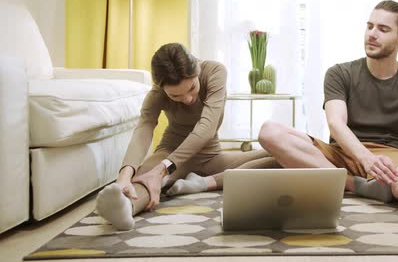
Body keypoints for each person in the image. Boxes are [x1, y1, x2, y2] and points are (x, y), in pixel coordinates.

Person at [258, 0, 398, 242]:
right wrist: (366, 159)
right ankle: (355, 185)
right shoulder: (340, 73)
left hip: (390, 154)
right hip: (341, 152)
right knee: (269, 131)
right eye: (370, 26)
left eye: (383, 29)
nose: (372, 34)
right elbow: (336, 123)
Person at [97, 43, 278, 230]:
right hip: (170, 152)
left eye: (192, 88)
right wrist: (125, 175)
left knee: (280, 156)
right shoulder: (157, 94)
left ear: (197, 70)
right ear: (162, 89)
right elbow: (144, 127)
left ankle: (201, 183)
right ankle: (126, 206)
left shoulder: (215, 72)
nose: (188, 99)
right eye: (176, 96)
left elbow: (206, 128)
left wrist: (163, 169)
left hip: (211, 156)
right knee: (145, 179)